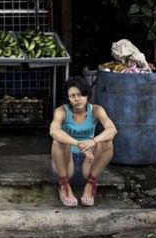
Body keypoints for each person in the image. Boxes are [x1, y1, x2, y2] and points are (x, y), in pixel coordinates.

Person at [49, 75, 117, 207]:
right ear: (68, 98)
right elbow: (54, 131)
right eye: (72, 96)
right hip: (65, 165)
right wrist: (78, 144)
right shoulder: (61, 111)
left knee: (107, 141)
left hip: (89, 163)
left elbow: (112, 130)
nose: (76, 99)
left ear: (86, 95)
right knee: (58, 141)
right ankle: (64, 186)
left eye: (80, 95)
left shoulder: (96, 110)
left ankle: (90, 184)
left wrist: (93, 141)